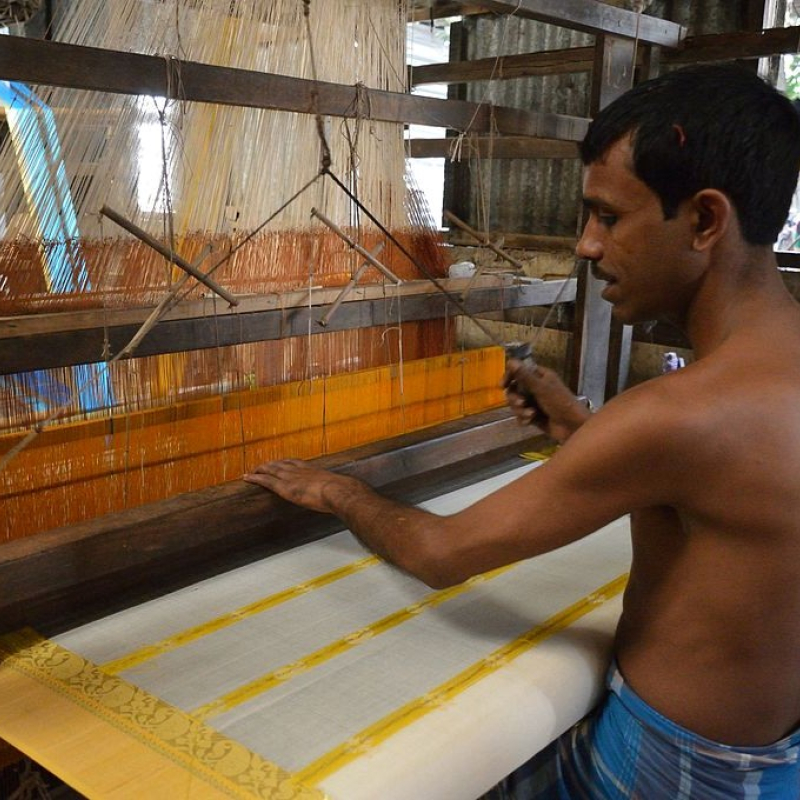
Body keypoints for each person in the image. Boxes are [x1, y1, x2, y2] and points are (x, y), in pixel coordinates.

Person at [244, 63, 800, 798]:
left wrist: (339, 492)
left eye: (608, 216)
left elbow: (443, 554)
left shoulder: (680, 416)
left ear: (704, 221)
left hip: (672, 770)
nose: (586, 246)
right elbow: (715, 498)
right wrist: (581, 428)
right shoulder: (757, 381)